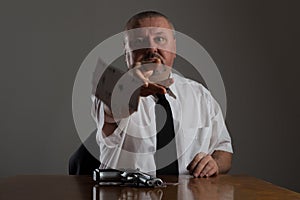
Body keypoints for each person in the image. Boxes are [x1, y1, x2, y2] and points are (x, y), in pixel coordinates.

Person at [91, 11, 233, 177]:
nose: (151, 48)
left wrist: (214, 162)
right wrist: (129, 90)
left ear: (174, 47)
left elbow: (224, 149)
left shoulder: (201, 95)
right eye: (139, 41)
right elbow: (111, 108)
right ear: (126, 51)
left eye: (159, 39)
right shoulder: (111, 89)